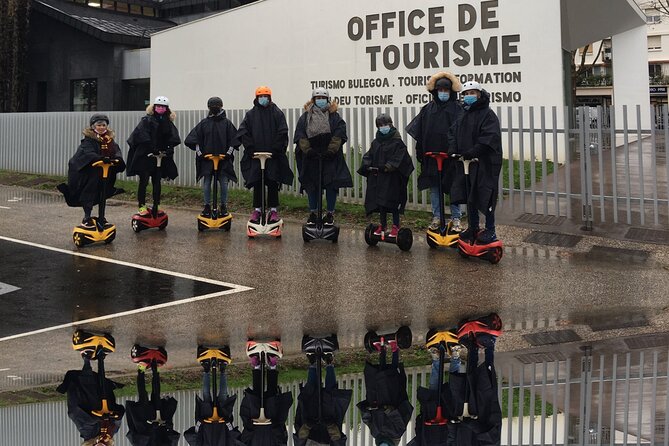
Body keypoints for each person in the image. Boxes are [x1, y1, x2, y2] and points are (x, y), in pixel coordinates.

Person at [406, 72, 463, 232]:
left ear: (451, 91)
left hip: (451, 158)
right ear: (435, 91)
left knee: (453, 187)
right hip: (432, 157)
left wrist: (457, 151)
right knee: (435, 188)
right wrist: (420, 152)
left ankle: (456, 218)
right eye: (440, 89)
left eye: (446, 89)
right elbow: (420, 132)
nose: (443, 92)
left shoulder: (458, 109)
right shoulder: (427, 110)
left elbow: (462, 132)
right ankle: (437, 216)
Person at [448, 81, 503, 245]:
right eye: (466, 93)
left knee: (485, 195)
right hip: (467, 162)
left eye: (473, 93)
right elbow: (453, 133)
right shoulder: (462, 114)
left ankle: (490, 230)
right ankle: (473, 227)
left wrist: (474, 151)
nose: (469, 96)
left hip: (484, 162)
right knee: (470, 196)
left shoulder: (488, 114)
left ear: (479, 94)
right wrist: (453, 149)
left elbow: (490, 137)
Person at [294, 88, 352, 226]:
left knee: (331, 185)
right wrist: (308, 150)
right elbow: (300, 134)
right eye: (318, 98)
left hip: (329, 157)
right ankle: (313, 213)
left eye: (323, 98)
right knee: (312, 186)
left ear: (328, 99)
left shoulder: (335, 117)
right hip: (312, 157)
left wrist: (331, 150)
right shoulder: (305, 117)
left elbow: (339, 133)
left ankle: (330, 214)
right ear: (313, 100)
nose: (320, 100)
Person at [57, 113, 126, 227]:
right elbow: (88, 153)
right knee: (89, 194)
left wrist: (117, 158)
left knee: (103, 193)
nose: (101, 127)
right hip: (90, 173)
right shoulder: (88, 140)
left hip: (105, 172)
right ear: (93, 126)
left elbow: (116, 151)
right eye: (99, 125)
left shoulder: (109, 140)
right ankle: (87, 217)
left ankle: (101, 217)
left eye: (104, 125)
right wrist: (100, 158)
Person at [238, 86, 294, 224]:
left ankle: (273, 210)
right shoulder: (251, 115)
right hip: (256, 156)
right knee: (257, 182)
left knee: (273, 181)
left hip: (272, 156)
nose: (263, 99)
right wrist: (250, 148)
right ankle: (257, 210)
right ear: (256, 98)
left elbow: (282, 132)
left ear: (270, 97)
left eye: (266, 96)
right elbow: (243, 132)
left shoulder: (277, 113)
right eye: (261, 96)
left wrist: (276, 149)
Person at [57, 336, 125, 446]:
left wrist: (97, 418)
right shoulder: (111, 433)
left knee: (88, 387)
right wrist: (117, 416)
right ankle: (100, 356)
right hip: (104, 396)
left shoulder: (88, 434)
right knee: (101, 383)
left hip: (88, 398)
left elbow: (82, 420)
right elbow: (120, 413)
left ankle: (86, 357)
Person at [447, 314, 503, 445]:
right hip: (485, 413)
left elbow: (451, 442)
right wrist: (472, 425)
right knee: (485, 379)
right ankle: (490, 344)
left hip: (464, 417)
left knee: (469, 376)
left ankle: (473, 347)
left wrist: (452, 426)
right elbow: (491, 438)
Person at [358, 113, 414, 238]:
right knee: (381, 202)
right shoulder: (376, 142)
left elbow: (401, 157)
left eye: (385, 125)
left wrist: (390, 166)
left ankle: (396, 226)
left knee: (392, 202)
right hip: (379, 177)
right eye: (380, 125)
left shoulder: (397, 141)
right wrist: (367, 164)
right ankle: (382, 225)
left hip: (393, 178)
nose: (383, 127)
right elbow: (369, 155)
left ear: (390, 125)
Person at [185, 97, 240, 217]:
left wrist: (228, 153)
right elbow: (194, 139)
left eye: (217, 106)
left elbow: (234, 140)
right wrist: (201, 154)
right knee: (207, 182)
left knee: (224, 182)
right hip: (207, 160)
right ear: (209, 108)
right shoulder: (204, 123)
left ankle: (224, 206)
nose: (215, 109)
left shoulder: (227, 123)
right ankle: (207, 206)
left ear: (221, 107)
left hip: (223, 159)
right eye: (212, 107)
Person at [126, 96, 181, 216]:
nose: (160, 109)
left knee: (157, 181)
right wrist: (151, 148)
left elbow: (172, 137)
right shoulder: (147, 120)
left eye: (163, 107)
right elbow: (141, 135)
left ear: (167, 109)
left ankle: (157, 204)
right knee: (144, 181)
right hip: (146, 156)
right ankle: (141, 206)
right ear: (154, 107)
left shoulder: (168, 122)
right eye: (158, 106)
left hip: (160, 157)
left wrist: (169, 148)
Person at [294, 336, 351, 446]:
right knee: (330, 393)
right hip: (329, 420)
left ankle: (312, 362)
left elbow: (299, 440)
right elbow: (339, 441)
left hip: (310, 420)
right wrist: (331, 426)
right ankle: (329, 362)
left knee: (310, 392)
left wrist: (307, 427)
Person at [357, 338, 413, 446]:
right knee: (391, 372)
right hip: (392, 397)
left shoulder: (376, 434)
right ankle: (394, 349)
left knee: (379, 373)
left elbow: (368, 420)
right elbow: (399, 418)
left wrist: (366, 410)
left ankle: (382, 350)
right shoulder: (397, 433)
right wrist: (389, 411)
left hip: (376, 398)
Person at [184, 346, 245, 446]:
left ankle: (206, 368)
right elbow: (234, 439)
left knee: (206, 394)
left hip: (205, 417)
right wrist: (228, 424)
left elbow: (193, 437)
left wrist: (200, 423)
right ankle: (222, 368)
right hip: (223, 417)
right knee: (223, 394)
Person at [240, 341, 293, 446]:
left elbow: (243, 441)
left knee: (256, 392)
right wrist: (275, 428)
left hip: (254, 420)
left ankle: (257, 365)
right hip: (272, 420)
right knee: (272, 393)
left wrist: (250, 428)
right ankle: (272, 364)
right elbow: (282, 440)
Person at [125, 345, 180, 446]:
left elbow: (135, 438)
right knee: (156, 393)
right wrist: (167, 426)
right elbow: (173, 438)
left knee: (143, 394)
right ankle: (156, 369)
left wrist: (149, 430)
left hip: (145, 421)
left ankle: (141, 369)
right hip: (161, 420)